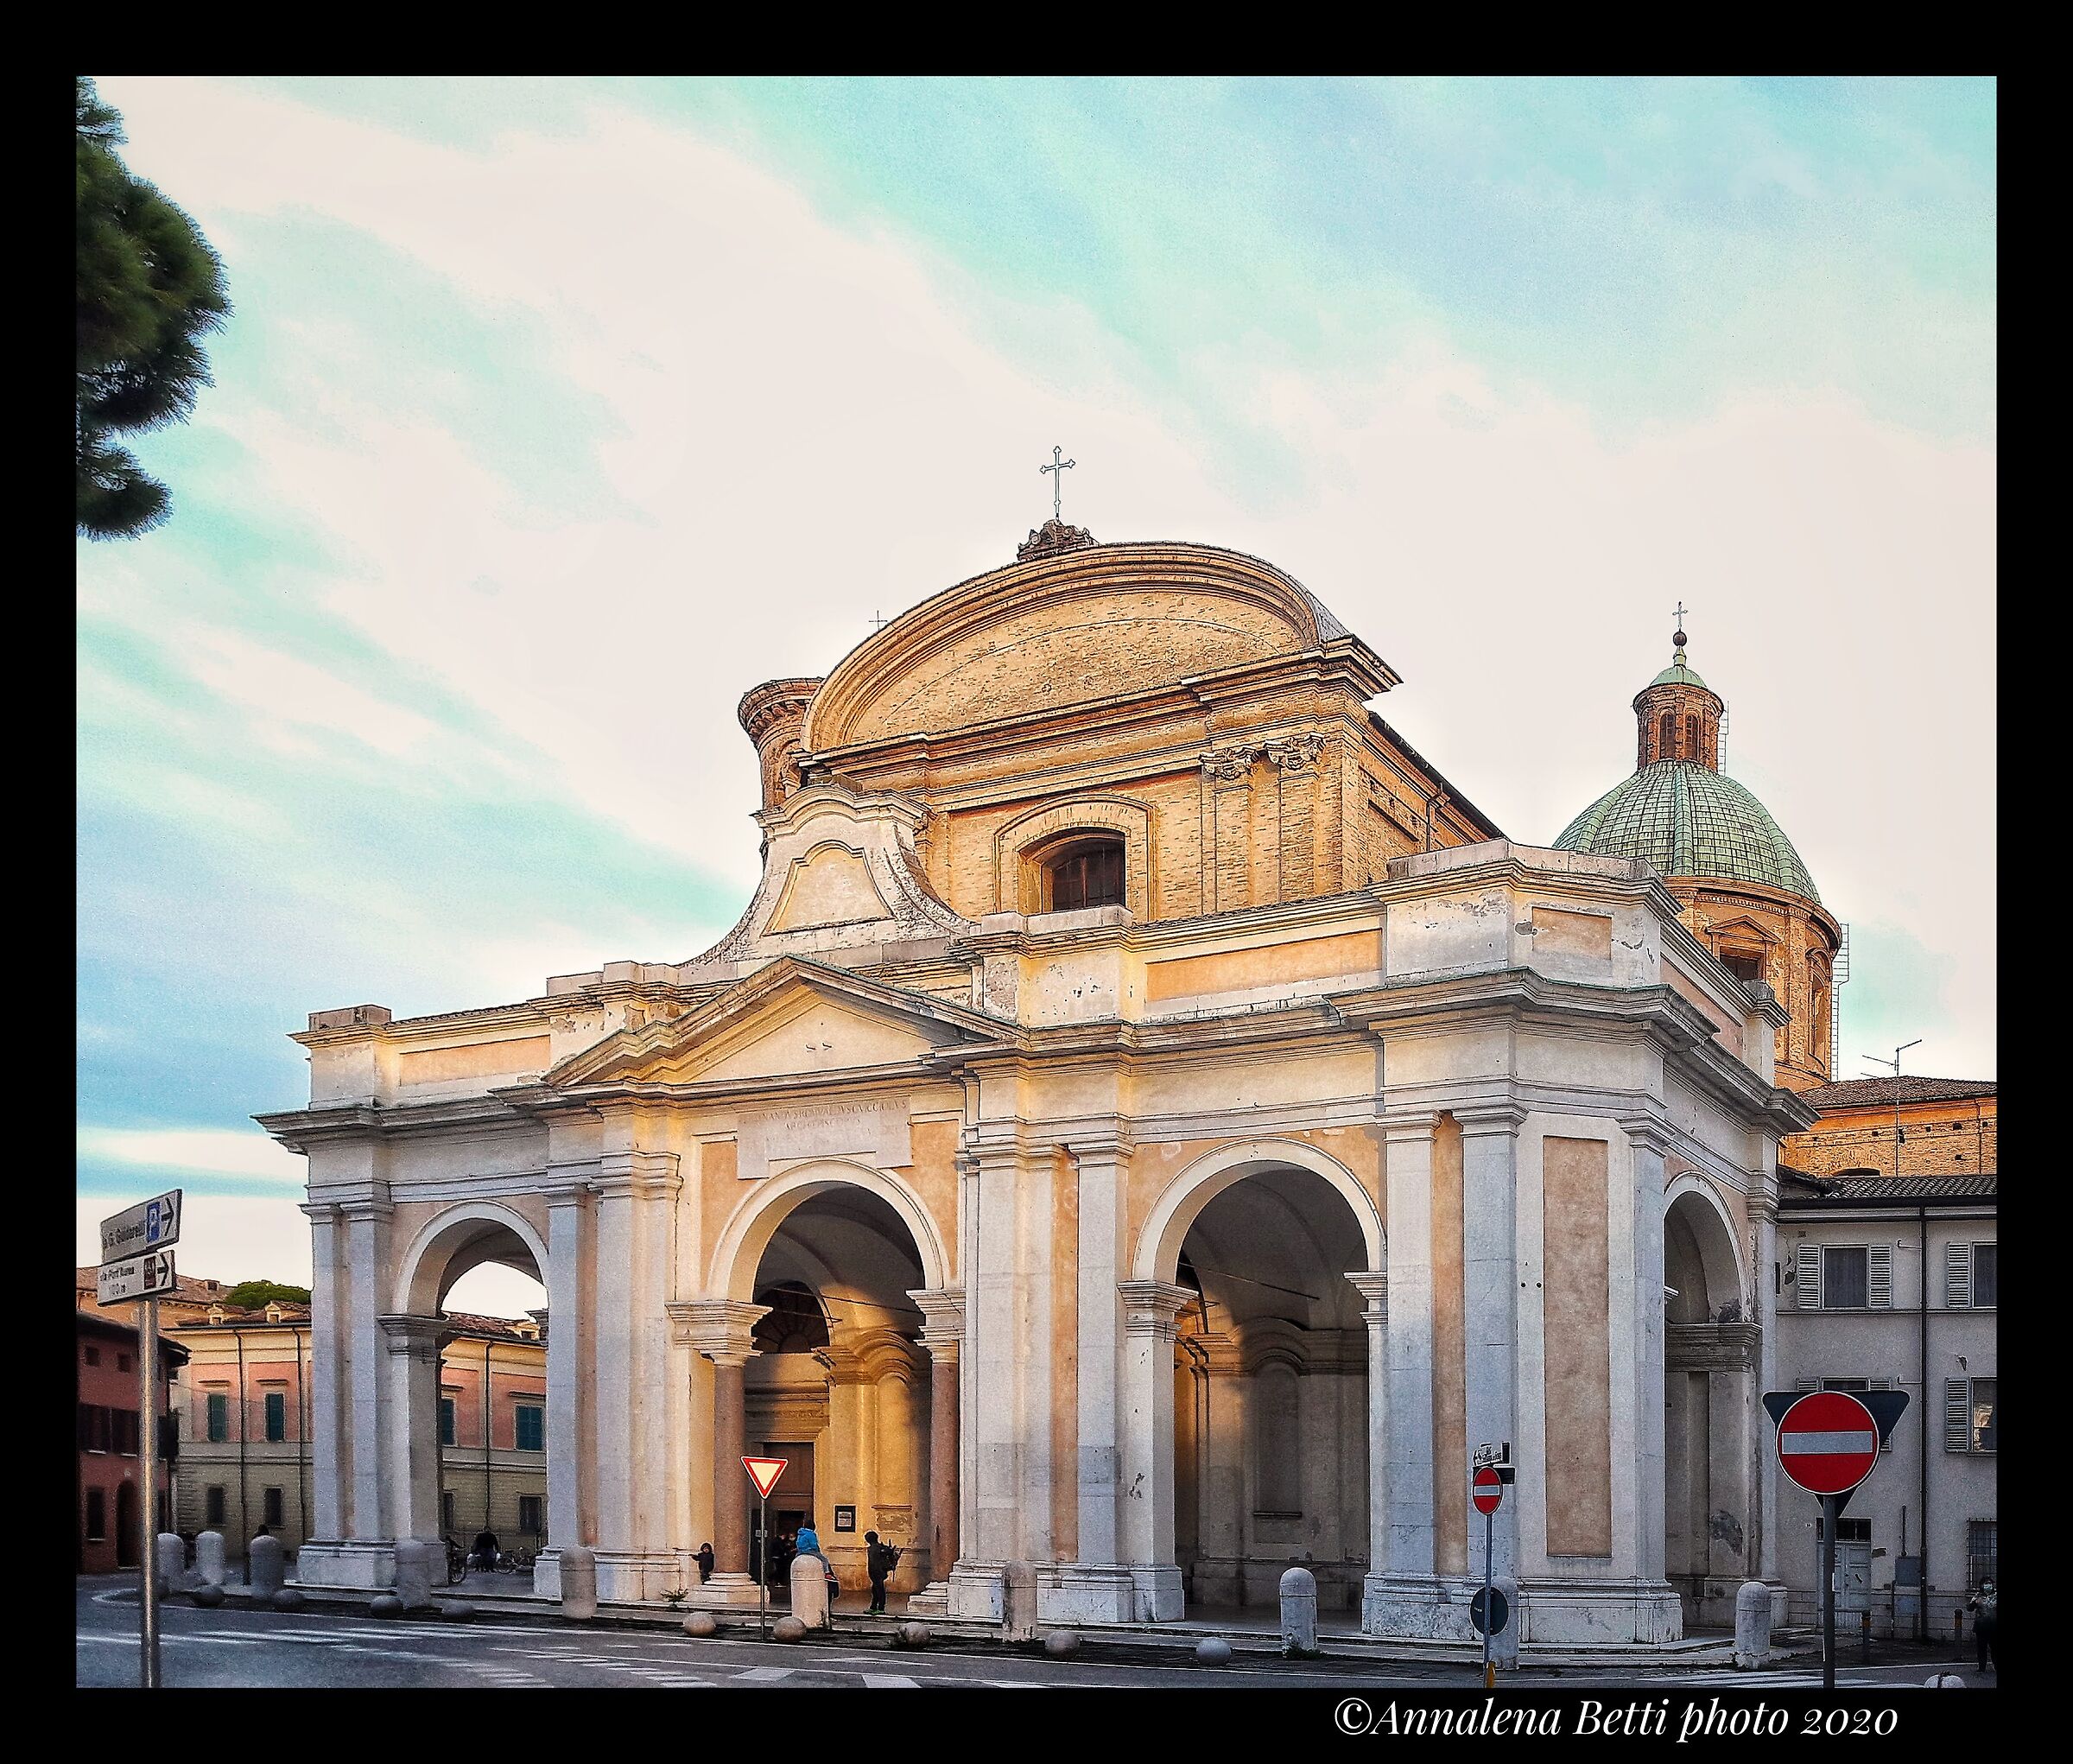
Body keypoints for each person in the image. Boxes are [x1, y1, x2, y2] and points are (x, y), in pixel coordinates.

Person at [865, 1530, 900, 1615]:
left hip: (877, 1572)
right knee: (875, 1590)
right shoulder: (878, 1548)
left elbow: (877, 1561)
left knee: (879, 1590)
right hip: (878, 1572)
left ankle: (880, 1608)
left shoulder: (875, 1549)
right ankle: (873, 1607)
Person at [1968, 1579, 1998, 1673]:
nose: (1988, 1586)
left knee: (1995, 1648)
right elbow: (1970, 1609)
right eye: (1986, 1584)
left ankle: (1996, 1665)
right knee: (1981, 1648)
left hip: (1994, 1626)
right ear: (1982, 1585)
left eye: (1990, 1584)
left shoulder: (1996, 1595)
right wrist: (1973, 1602)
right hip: (1981, 1627)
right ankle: (1982, 1667)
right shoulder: (1978, 1596)